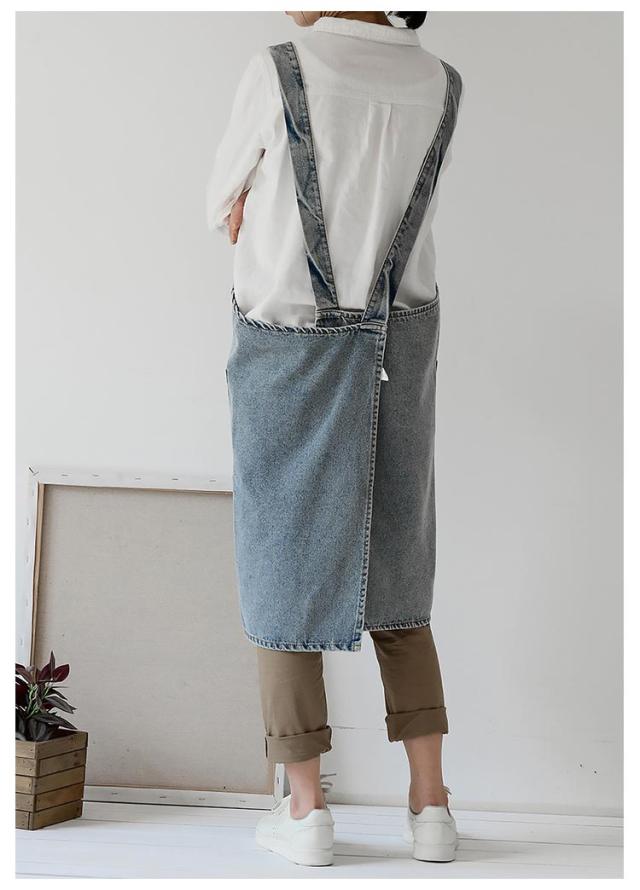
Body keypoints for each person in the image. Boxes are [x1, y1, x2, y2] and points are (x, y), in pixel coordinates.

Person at [207, 11, 463, 867]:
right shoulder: (440, 81)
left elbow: (220, 205)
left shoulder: (278, 67)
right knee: (399, 570)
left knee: (280, 572)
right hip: (401, 346)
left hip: (289, 348)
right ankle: (432, 807)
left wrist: (250, 208)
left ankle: (306, 810)